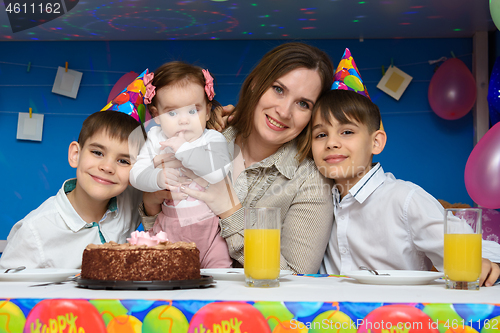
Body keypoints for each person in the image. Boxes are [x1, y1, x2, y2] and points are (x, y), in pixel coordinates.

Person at [144, 42, 336, 274]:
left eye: (303, 104)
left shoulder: (309, 180)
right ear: (256, 84)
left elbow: (298, 278)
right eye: (278, 89)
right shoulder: (203, 139)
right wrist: (151, 203)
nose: (284, 112)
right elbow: (160, 237)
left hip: (254, 309)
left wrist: (229, 210)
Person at [301, 89, 500, 287]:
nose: (331, 143)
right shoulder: (315, 201)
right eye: (321, 135)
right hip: (332, 315)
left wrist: (487, 263)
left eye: (347, 132)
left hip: (399, 314)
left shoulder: (405, 199)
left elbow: (483, 253)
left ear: (376, 142)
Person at [0, 111, 147, 269]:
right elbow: (7, 289)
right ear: (75, 155)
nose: (107, 167)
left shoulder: (132, 201)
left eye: (123, 161)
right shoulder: (34, 231)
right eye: (97, 153)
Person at [130, 61, 232, 269]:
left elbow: (217, 173)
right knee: (165, 274)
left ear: (207, 111)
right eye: (173, 113)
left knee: (221, 276)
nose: (184, 120)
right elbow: (136, 175)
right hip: (170, 229)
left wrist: (184, 150)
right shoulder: (155, 138)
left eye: (193, 111)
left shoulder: (212, 139)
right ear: (156, 115)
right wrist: (157, 178)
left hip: (211, 230)